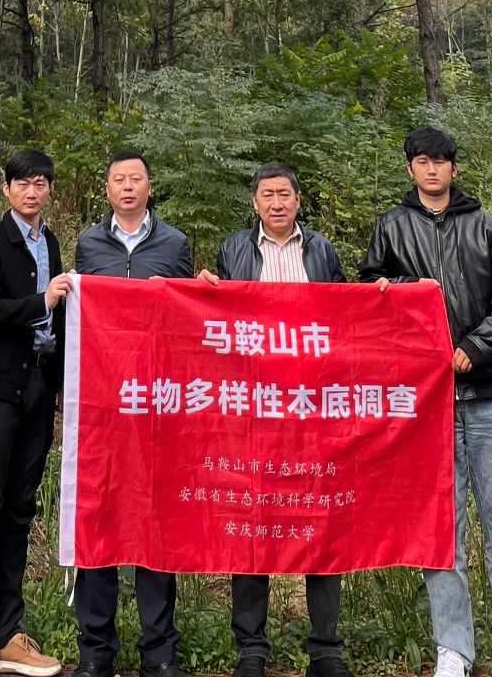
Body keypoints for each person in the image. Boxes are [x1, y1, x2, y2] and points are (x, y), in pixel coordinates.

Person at [357, 126, 492, 677]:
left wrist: (475, 349)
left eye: (440, 161)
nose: (432, 169)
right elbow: (371, 292)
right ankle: (453, 649)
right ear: (410, 168)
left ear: (453, 168)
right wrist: (384, 290)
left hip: (489, 397)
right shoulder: (391, 225)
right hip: (424, 403)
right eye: (422, 161)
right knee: (441, 530)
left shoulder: (485, 226)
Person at [199, 162, 351, 677]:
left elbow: (345, 320)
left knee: (321, 520)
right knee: (251, 519)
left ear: (298, 200)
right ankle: (252, 648)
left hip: (312, 407)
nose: (277, 203)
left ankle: (325, 648)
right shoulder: (235, 250)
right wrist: (205, 291)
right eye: (268, 195)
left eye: (285, 194)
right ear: (255, 202)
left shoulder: (322, 251)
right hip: (254, 407)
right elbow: (221, 322)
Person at [71, 150, 196, 677]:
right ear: (107, 189)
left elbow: (187, 320)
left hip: (158, 404)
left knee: (155, 523)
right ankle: (96, 650)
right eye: (118, 179)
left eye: (136, 179)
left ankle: (159, 651)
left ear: (150, 186)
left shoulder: (174, 243)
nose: (127, 187)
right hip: (100, 406)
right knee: (97, 519)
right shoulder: (88, 244)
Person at [0, 149, 73, 677]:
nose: (32, 191)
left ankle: (8, 635)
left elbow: (62, 322)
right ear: (6, 189)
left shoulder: (51, 241)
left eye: (40, 183)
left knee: (20, 510)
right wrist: (42, 300)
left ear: (49, 190)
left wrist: (63, 384)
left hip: (40, 388)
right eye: (22, 183)